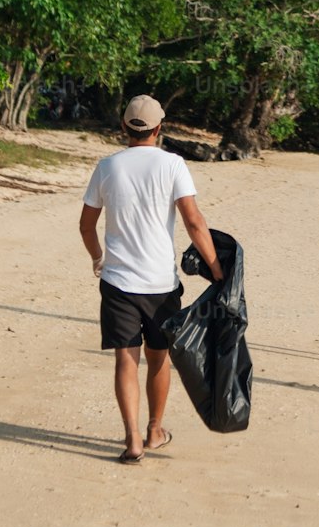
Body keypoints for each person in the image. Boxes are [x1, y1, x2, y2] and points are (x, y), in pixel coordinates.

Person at [79, 94, 223, 464]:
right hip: (160, 284)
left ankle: (132, 440)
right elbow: (194, 221)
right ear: (160, 129)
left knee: (125, 360)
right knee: (158, 360)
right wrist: (216, 269)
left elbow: (86, 225)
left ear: (124, 128)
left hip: (118, 282)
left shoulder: (107, 167)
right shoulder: (173, 165)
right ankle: (155, 429)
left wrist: (98, 258)